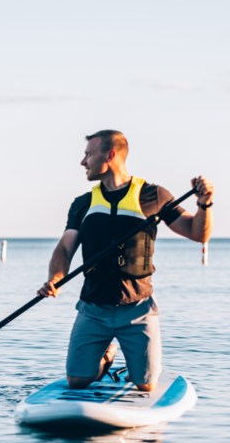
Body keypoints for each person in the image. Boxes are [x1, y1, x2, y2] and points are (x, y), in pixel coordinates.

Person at [38, 130, 214, 392]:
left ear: (110, 155)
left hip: (138, 308)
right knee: (77, 382)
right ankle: (107, 357)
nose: (83, 162)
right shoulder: (83, 204)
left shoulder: (153, 195)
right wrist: (55, 278)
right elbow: (65, 248)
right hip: (93, 307)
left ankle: (135, 365)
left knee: (146, 386)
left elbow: (197, 233)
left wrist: (204, 203)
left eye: (88, 154)